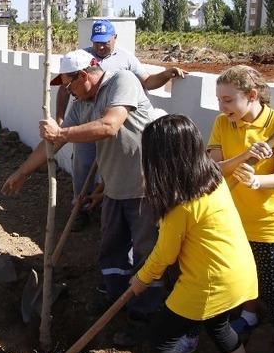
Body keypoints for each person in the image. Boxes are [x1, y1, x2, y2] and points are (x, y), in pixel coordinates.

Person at [3, 49, 166, 346]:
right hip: (114, 188)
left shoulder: (122, 81)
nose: (68, 93)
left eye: (68, 85)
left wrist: (61, 135)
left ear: (84, 76)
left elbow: (109, 125)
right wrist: (22, 172)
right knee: (112, 250)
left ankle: (144, 317)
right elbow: (53, 141)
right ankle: (118, 301)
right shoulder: (83, 103)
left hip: (144, 188)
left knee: (146, 255)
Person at [127, 114, 262, 353]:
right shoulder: (213, 179)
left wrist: (140, 280)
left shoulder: (181, 205)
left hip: (209, 284)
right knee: (219, 327)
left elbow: (164, 255)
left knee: (162, 340)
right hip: (239, 275)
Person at [207, 65, 274, 353]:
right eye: (219, 100)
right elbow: (215, 169)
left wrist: (258, 182)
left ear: (252, 95)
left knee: (272, 289)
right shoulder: (222, 123)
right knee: (238, 280)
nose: (222, 107)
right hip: (231, 220)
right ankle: (248, 316)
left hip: (268, 224)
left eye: (229, 100)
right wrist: (245, 157)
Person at [54, 19, 187, 231]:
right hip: (88, 121)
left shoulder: (126, 59)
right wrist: (59, 119)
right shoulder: (83, 58)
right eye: (96, 42)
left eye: (105, 42)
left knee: (115, 169)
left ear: (114, 38)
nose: (100, 47)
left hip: (116, 123)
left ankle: (109, 206)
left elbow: (146, 81)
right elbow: (64, 89)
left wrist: (165, 74)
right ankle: (80, 209)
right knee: (82, 166)